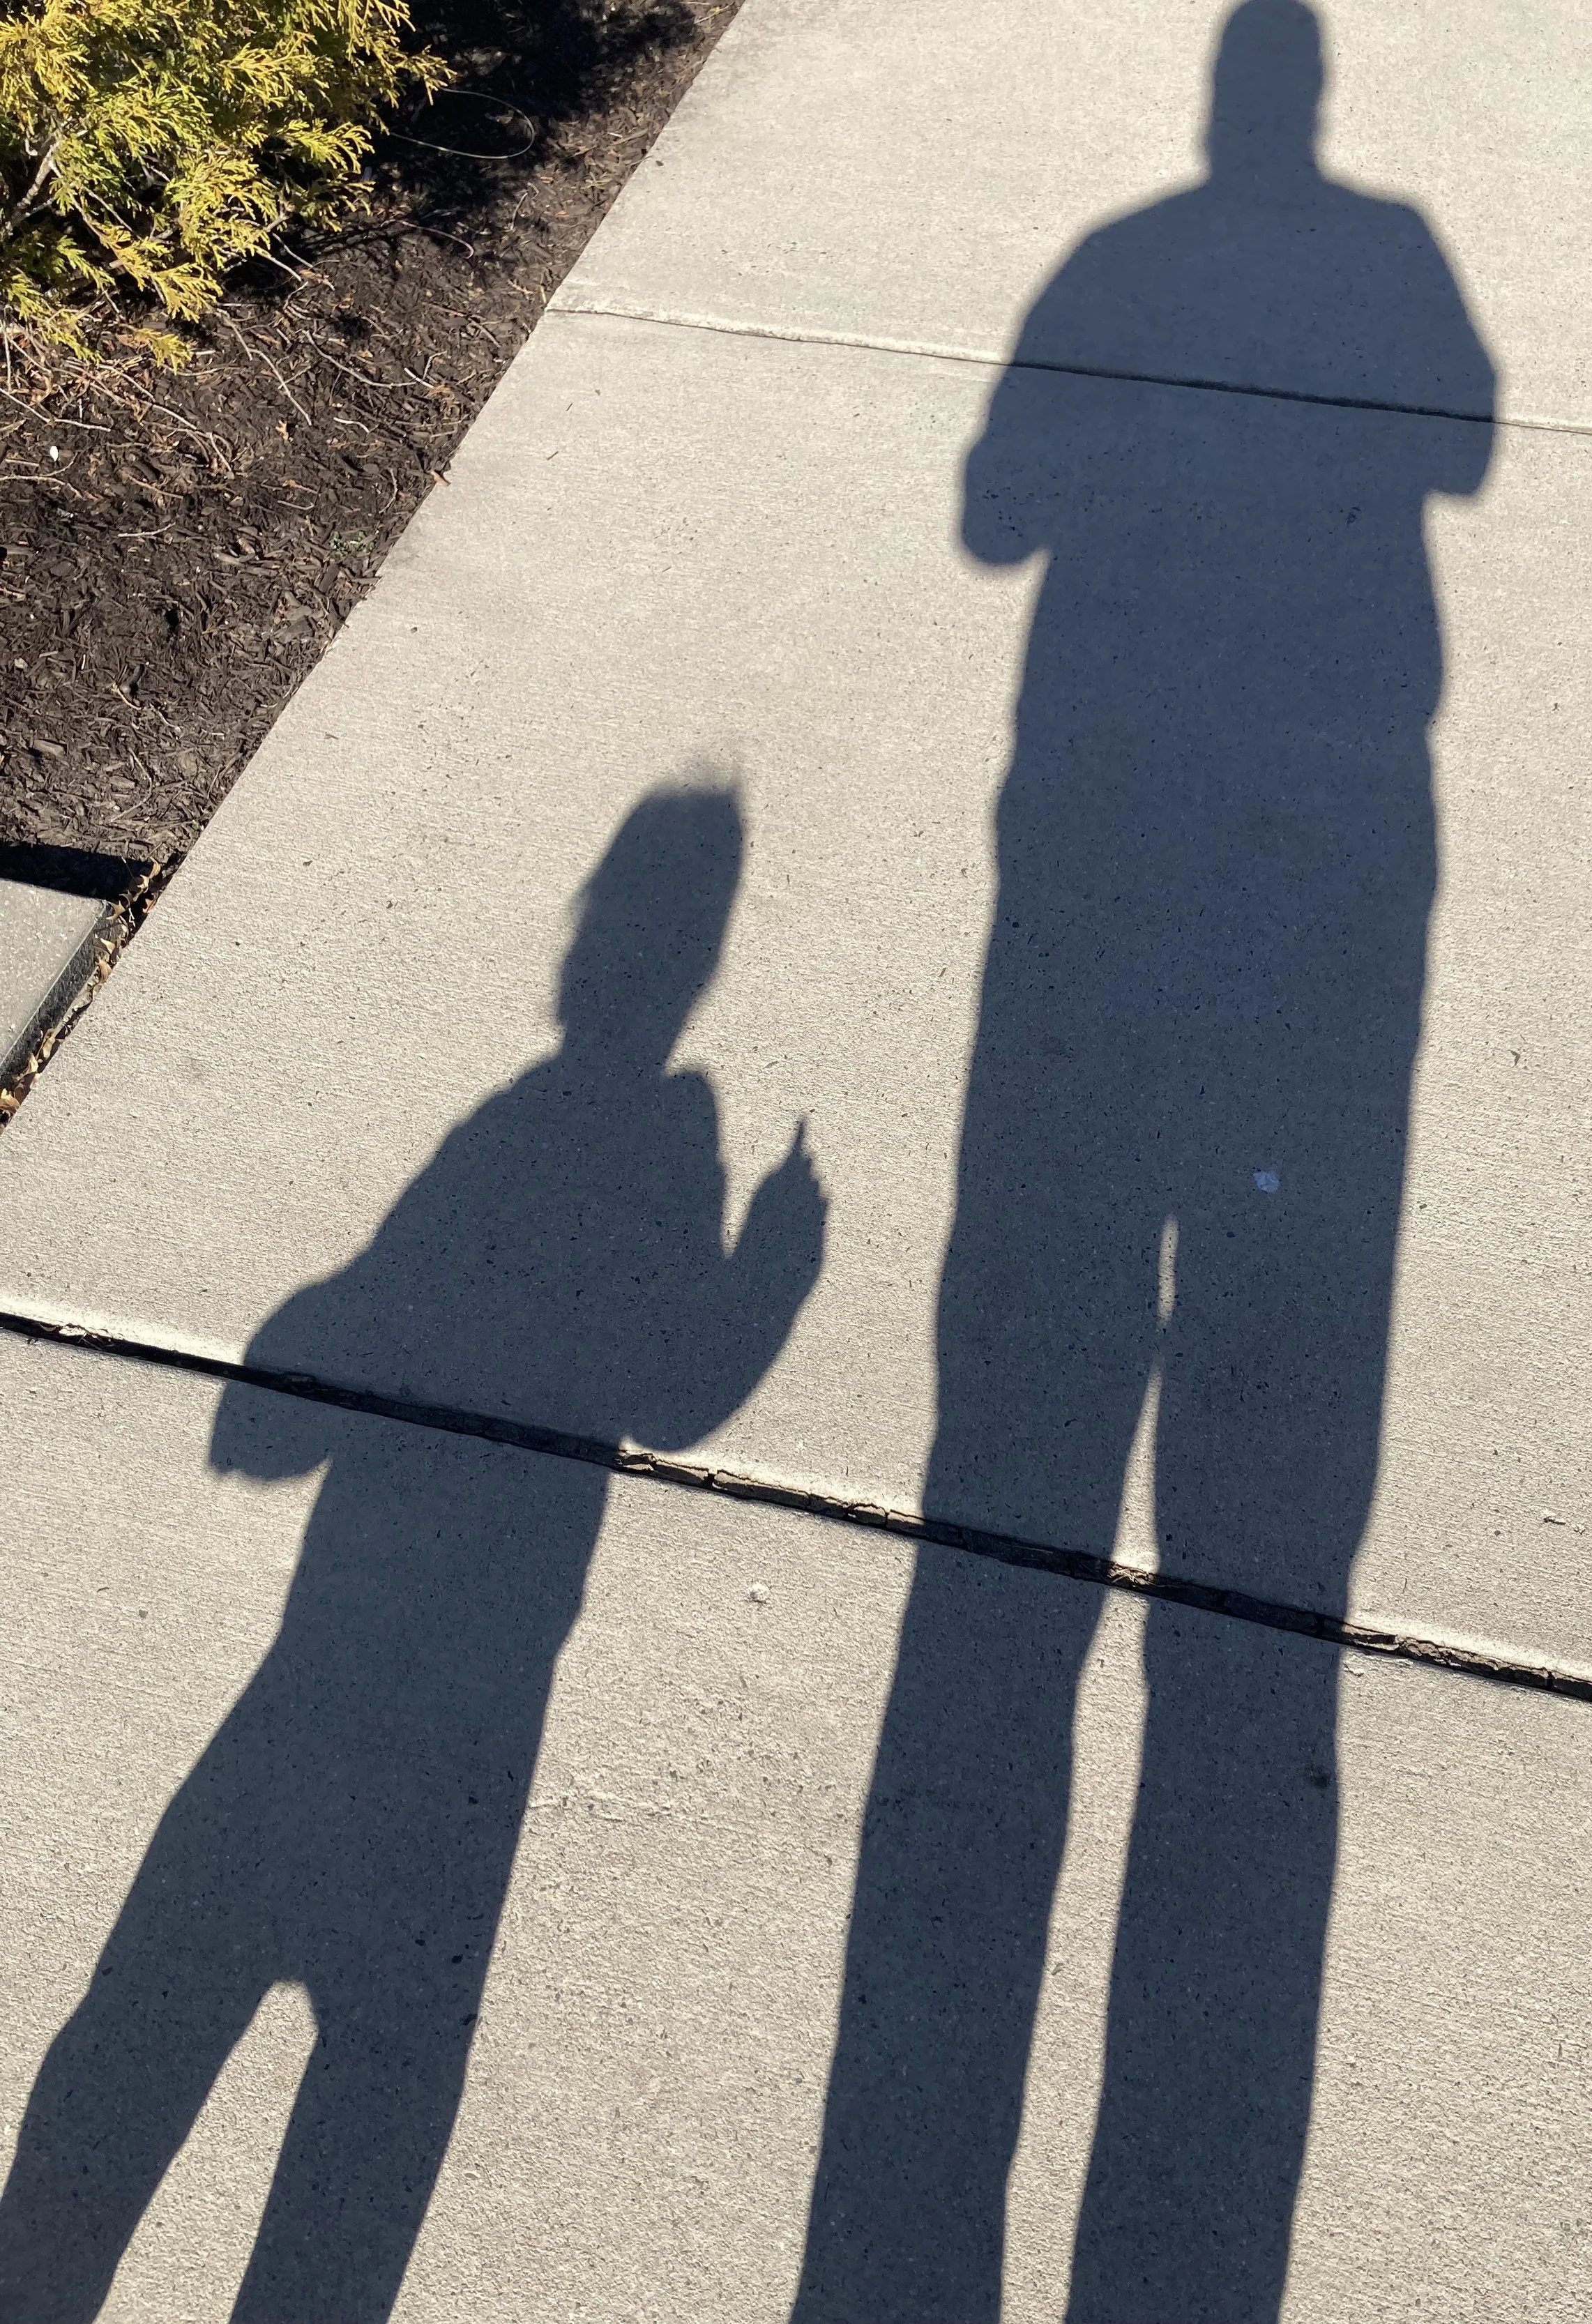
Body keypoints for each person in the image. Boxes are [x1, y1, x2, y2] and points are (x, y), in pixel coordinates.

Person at [789, 5, 1494, 2316]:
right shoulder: (1389, 240)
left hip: (1084, 813)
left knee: (1020, 1437)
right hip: (1347, 844)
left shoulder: (1107, 251)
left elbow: (997, 510)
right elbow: (1468, 453)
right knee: (1256, 1585)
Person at [0, 783, 826, 2322]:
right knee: (375, 2075)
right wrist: (778, 1264)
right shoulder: (662, 1138)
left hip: (323, 1674)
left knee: (141, 2032)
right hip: (476, 1695)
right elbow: (676, 1396)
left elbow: (260, 1425)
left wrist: (340, 1333)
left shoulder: (523, 1128)